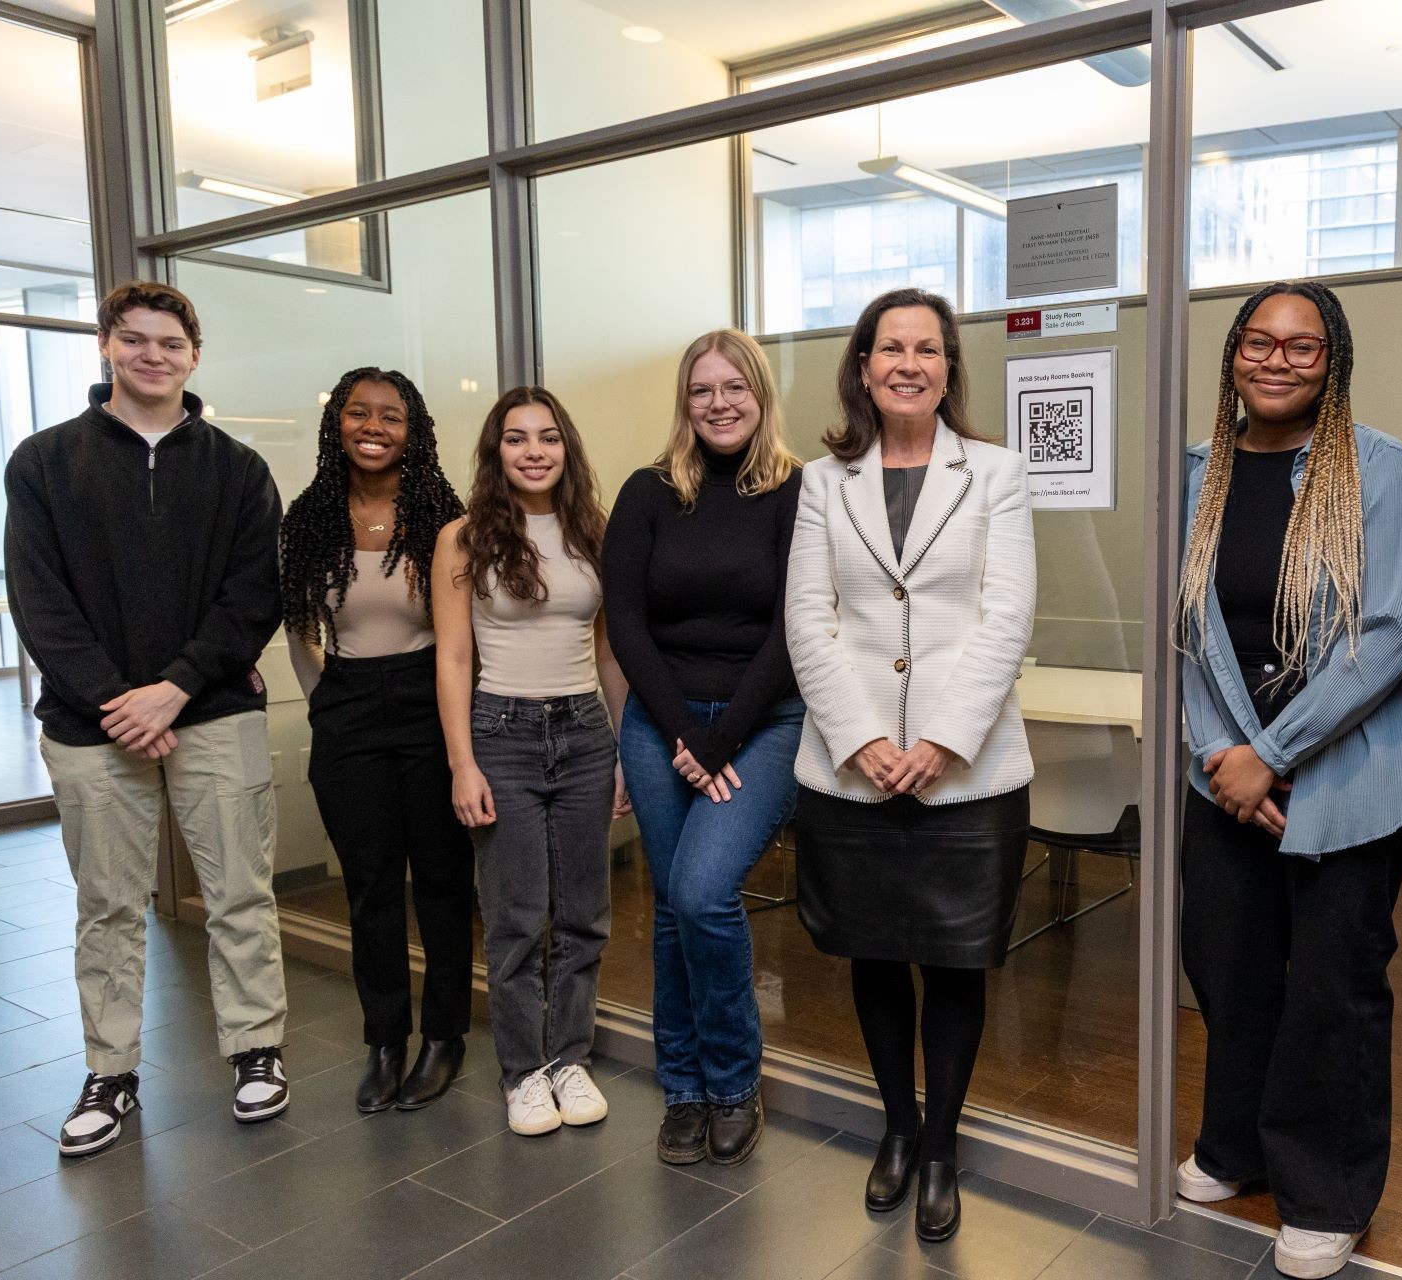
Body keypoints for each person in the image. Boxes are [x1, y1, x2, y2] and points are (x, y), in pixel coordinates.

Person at [1173, 281, 1402, 1279]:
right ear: (1233, 354)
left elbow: (1386, 639)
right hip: (1225, 772)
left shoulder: (1384, 472)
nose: (1278, 359)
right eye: (1260, 341)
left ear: (1334, 362)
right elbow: (1188, 639)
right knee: (1230, 964)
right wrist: (1222, 758)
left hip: (1353, 771)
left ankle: (1324, 1189)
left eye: (1304, 346)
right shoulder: (1198, 475)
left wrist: (1270, 756)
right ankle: (1235, 1144)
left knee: (1332, 984)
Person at [5, 280, 290, 1155]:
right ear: (106, 345)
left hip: (212, 715)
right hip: (92, 728)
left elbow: (255, 596)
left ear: (194, 356)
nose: (152, 356)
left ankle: (257, 1050)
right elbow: (39, 601)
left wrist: (173, 687)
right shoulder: (44, 462)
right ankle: (111, 1070)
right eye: (135, 340)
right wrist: (116, 700)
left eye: (170, 343)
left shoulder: (237, 469)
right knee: (108, 905)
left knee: (240, 892)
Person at [784, 287, 1036, 1244]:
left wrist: (937, 741)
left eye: (927, 349)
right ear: (862, 366)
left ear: (948, 369)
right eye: (890, 348)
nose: (908, 363)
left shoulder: (997, 474)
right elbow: (810, 618)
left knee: (956, 961)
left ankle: (940, 1145)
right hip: (850, 768)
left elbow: (1005, 614)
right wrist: (861, 741)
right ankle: (895, 1126)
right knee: (875, 956)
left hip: (965, 771)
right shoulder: (823, 482)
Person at [603, 330, 804, 1167]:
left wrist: (722, 737)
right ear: (684, 403)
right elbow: (625, 623)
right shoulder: (648, 491)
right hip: (661, 722)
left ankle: (733, 1078)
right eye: (701, 390)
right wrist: (687, 731)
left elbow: (800, 626)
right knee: (676, 908)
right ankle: (683, 1089)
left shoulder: (801, 492)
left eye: (735, 387)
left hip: (765, 723)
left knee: (701, 889)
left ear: (760, 394)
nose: (719, 403)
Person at [432, 386, 631, 1137]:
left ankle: (568, 1060)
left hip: (584, 730)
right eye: (517, 439)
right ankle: (523, 1073)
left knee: (584, 914)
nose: (534, 451)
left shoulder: (594, 532)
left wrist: (620, 751)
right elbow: (453, 657)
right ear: (497, 452)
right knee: (516, 917)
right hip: (501, 732)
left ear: (566, 448)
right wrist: (462, 762)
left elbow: (608, 649)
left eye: (547, 437)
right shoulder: (464, 537)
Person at [281, 367, 474, 1113]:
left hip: (431, 700)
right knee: (369, 887)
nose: (373, 426)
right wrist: (324, 698)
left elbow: (464, 635)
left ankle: (444, 1036)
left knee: (442, 881)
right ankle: (386, 1040)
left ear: (413, 430)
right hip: (349, 705)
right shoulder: (309, 518)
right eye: (358, 413)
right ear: (337, 425)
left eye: (390, 416)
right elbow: (300, 628)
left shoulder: (439, 516)